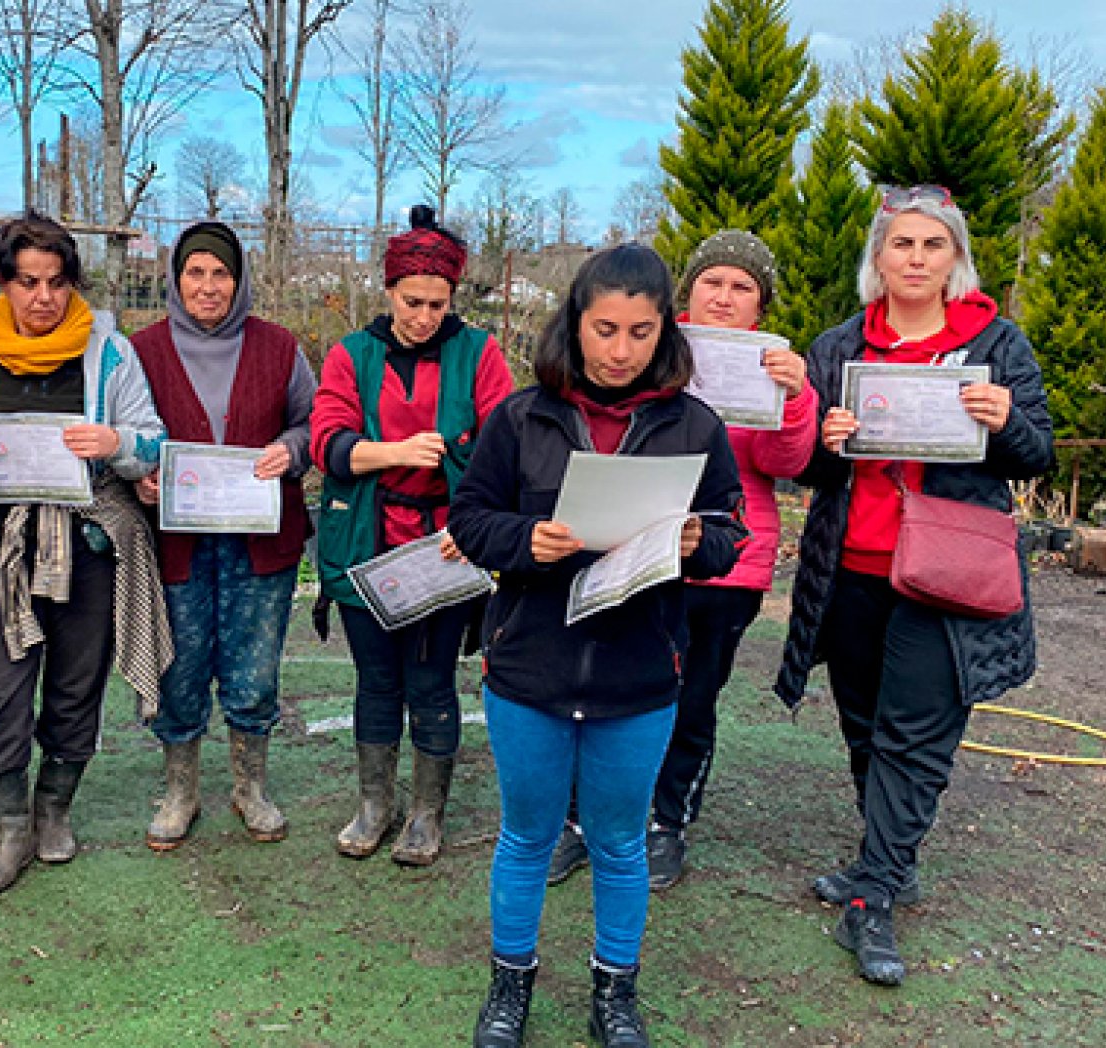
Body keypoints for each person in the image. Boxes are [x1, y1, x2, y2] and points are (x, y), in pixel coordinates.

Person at [449, 243, 749, 1048]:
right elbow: (469, 519)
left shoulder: (695, 426)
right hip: (528, 670)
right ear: (574, 323)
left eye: (640, 332)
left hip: (638, 673)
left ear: (664, 334)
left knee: (619, 843)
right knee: (526, 837)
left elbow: (729, 532)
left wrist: (694, 542)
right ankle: (509, 985)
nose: (619, 351)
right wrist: (525, 541)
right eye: (604, 329)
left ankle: (614, 991)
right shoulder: (520, 418)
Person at [776, 186, 1053, 986]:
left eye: (933, 245)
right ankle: (889, 860)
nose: (916, 259)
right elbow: (809, 470)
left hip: (945, 571)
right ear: (877, 258)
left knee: (915, 737)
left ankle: (870, 900)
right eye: (901, 245)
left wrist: (1004, 422)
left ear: (954, 258)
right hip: (852, 569)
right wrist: (825, 441)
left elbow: (1036, 456)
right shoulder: (838, 346)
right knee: (863, 727)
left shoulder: (996, 343)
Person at [549, 231, 818, 892]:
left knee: (692, 699)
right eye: (711, 283)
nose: (723, 298)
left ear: (760, 303)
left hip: (724, 566)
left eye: (741, 287)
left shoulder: (772, 365)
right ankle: (582, 821)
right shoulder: (644, 347)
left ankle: (666, 823)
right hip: (629, 549)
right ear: (687, 290)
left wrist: (795, 400)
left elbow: (786, 465)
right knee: (600, 684)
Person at [0, 211, 173, 894]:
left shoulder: (109, 352)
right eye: (26, 282)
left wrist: (117, 445)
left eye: (56, 282)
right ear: (2, 283)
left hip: (89, 539)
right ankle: (8, 828)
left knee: (76, 684)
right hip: (0, 541)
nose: (42, 298)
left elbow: (151, 440)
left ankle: (53, 810)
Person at [311, 205, 515, 867]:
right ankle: (374, 805)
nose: (424, 315)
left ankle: (426, 813)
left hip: (444, 547)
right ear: (388, 291)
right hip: (366, 543)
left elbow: (505, 443)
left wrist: (475, 523)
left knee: (429, 682)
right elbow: (328, 446)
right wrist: (397, 452)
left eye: (437, 303)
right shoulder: (350, 355)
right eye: (411, 301)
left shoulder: (479, 353)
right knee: (374, 681)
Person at [129, 221, 316, 849]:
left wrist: (289, 451)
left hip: (260, 540)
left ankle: (249, 787)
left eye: (221, 273)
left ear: (239, 281)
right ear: (175, 280)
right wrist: (140, 478)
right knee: (179, 667)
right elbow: (125, 435)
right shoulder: (142, 350)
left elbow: (312, 423)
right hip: (176, 541)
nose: (208, 287)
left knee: (254, 668)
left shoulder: (280, 347)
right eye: (195, 273)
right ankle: (181, 790)